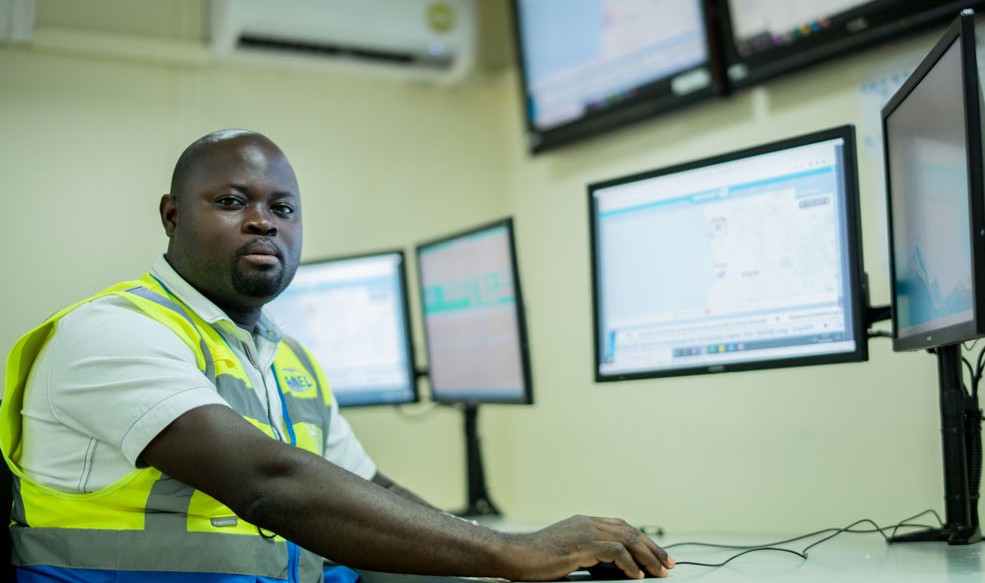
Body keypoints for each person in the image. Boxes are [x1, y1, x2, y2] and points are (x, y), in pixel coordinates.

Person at [0, 129, 675, 583]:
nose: (263, 220)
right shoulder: (109, 333)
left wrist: (518, 551)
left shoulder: (287, 359)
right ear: (172, 216)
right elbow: (270, 482)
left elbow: (370, 488)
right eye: (231, 201)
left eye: (283, 207)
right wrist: (508, 550)